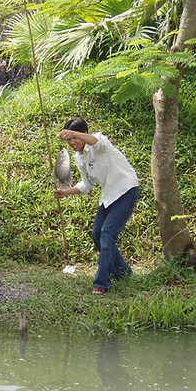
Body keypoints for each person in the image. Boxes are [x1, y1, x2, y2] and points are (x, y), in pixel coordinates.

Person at [54, 117, 139, 295]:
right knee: (97, 234)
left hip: (126, 189)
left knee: (107, 234)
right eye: (69, 140)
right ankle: (124, 273)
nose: (72, 142)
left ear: (84, 133)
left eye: (74, 138)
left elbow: (95, 140)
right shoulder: (79, 158)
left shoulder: (99, 142)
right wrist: (65, 193)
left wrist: (74, 133)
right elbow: (87, 184)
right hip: (108, 194)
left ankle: (101, 283)